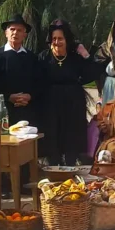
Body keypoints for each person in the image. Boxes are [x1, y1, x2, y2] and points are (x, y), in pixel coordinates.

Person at [0, 14, 42, 193]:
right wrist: (9, 97)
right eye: (12, 29)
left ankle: (24, 182)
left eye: (19, 30)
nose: (15, 33)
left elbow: (39, 83)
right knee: (2, 146)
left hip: (26, 110)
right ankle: (2, 185)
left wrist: (29, 96)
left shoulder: (32, 59)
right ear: (6, 32)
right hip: (4, 109)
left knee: (24, 146)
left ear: (25, 34)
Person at [39, 19, 95, 166]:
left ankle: (70, 168)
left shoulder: (75, 58)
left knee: (71, 136)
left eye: (60, 38)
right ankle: (53, 168)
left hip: (73, 102)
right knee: (52, 136)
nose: (57, 42)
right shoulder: (43, 57)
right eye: (54, 39)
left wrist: (86, 55)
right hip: (50, 103)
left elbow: (91, 73)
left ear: (67, 40)